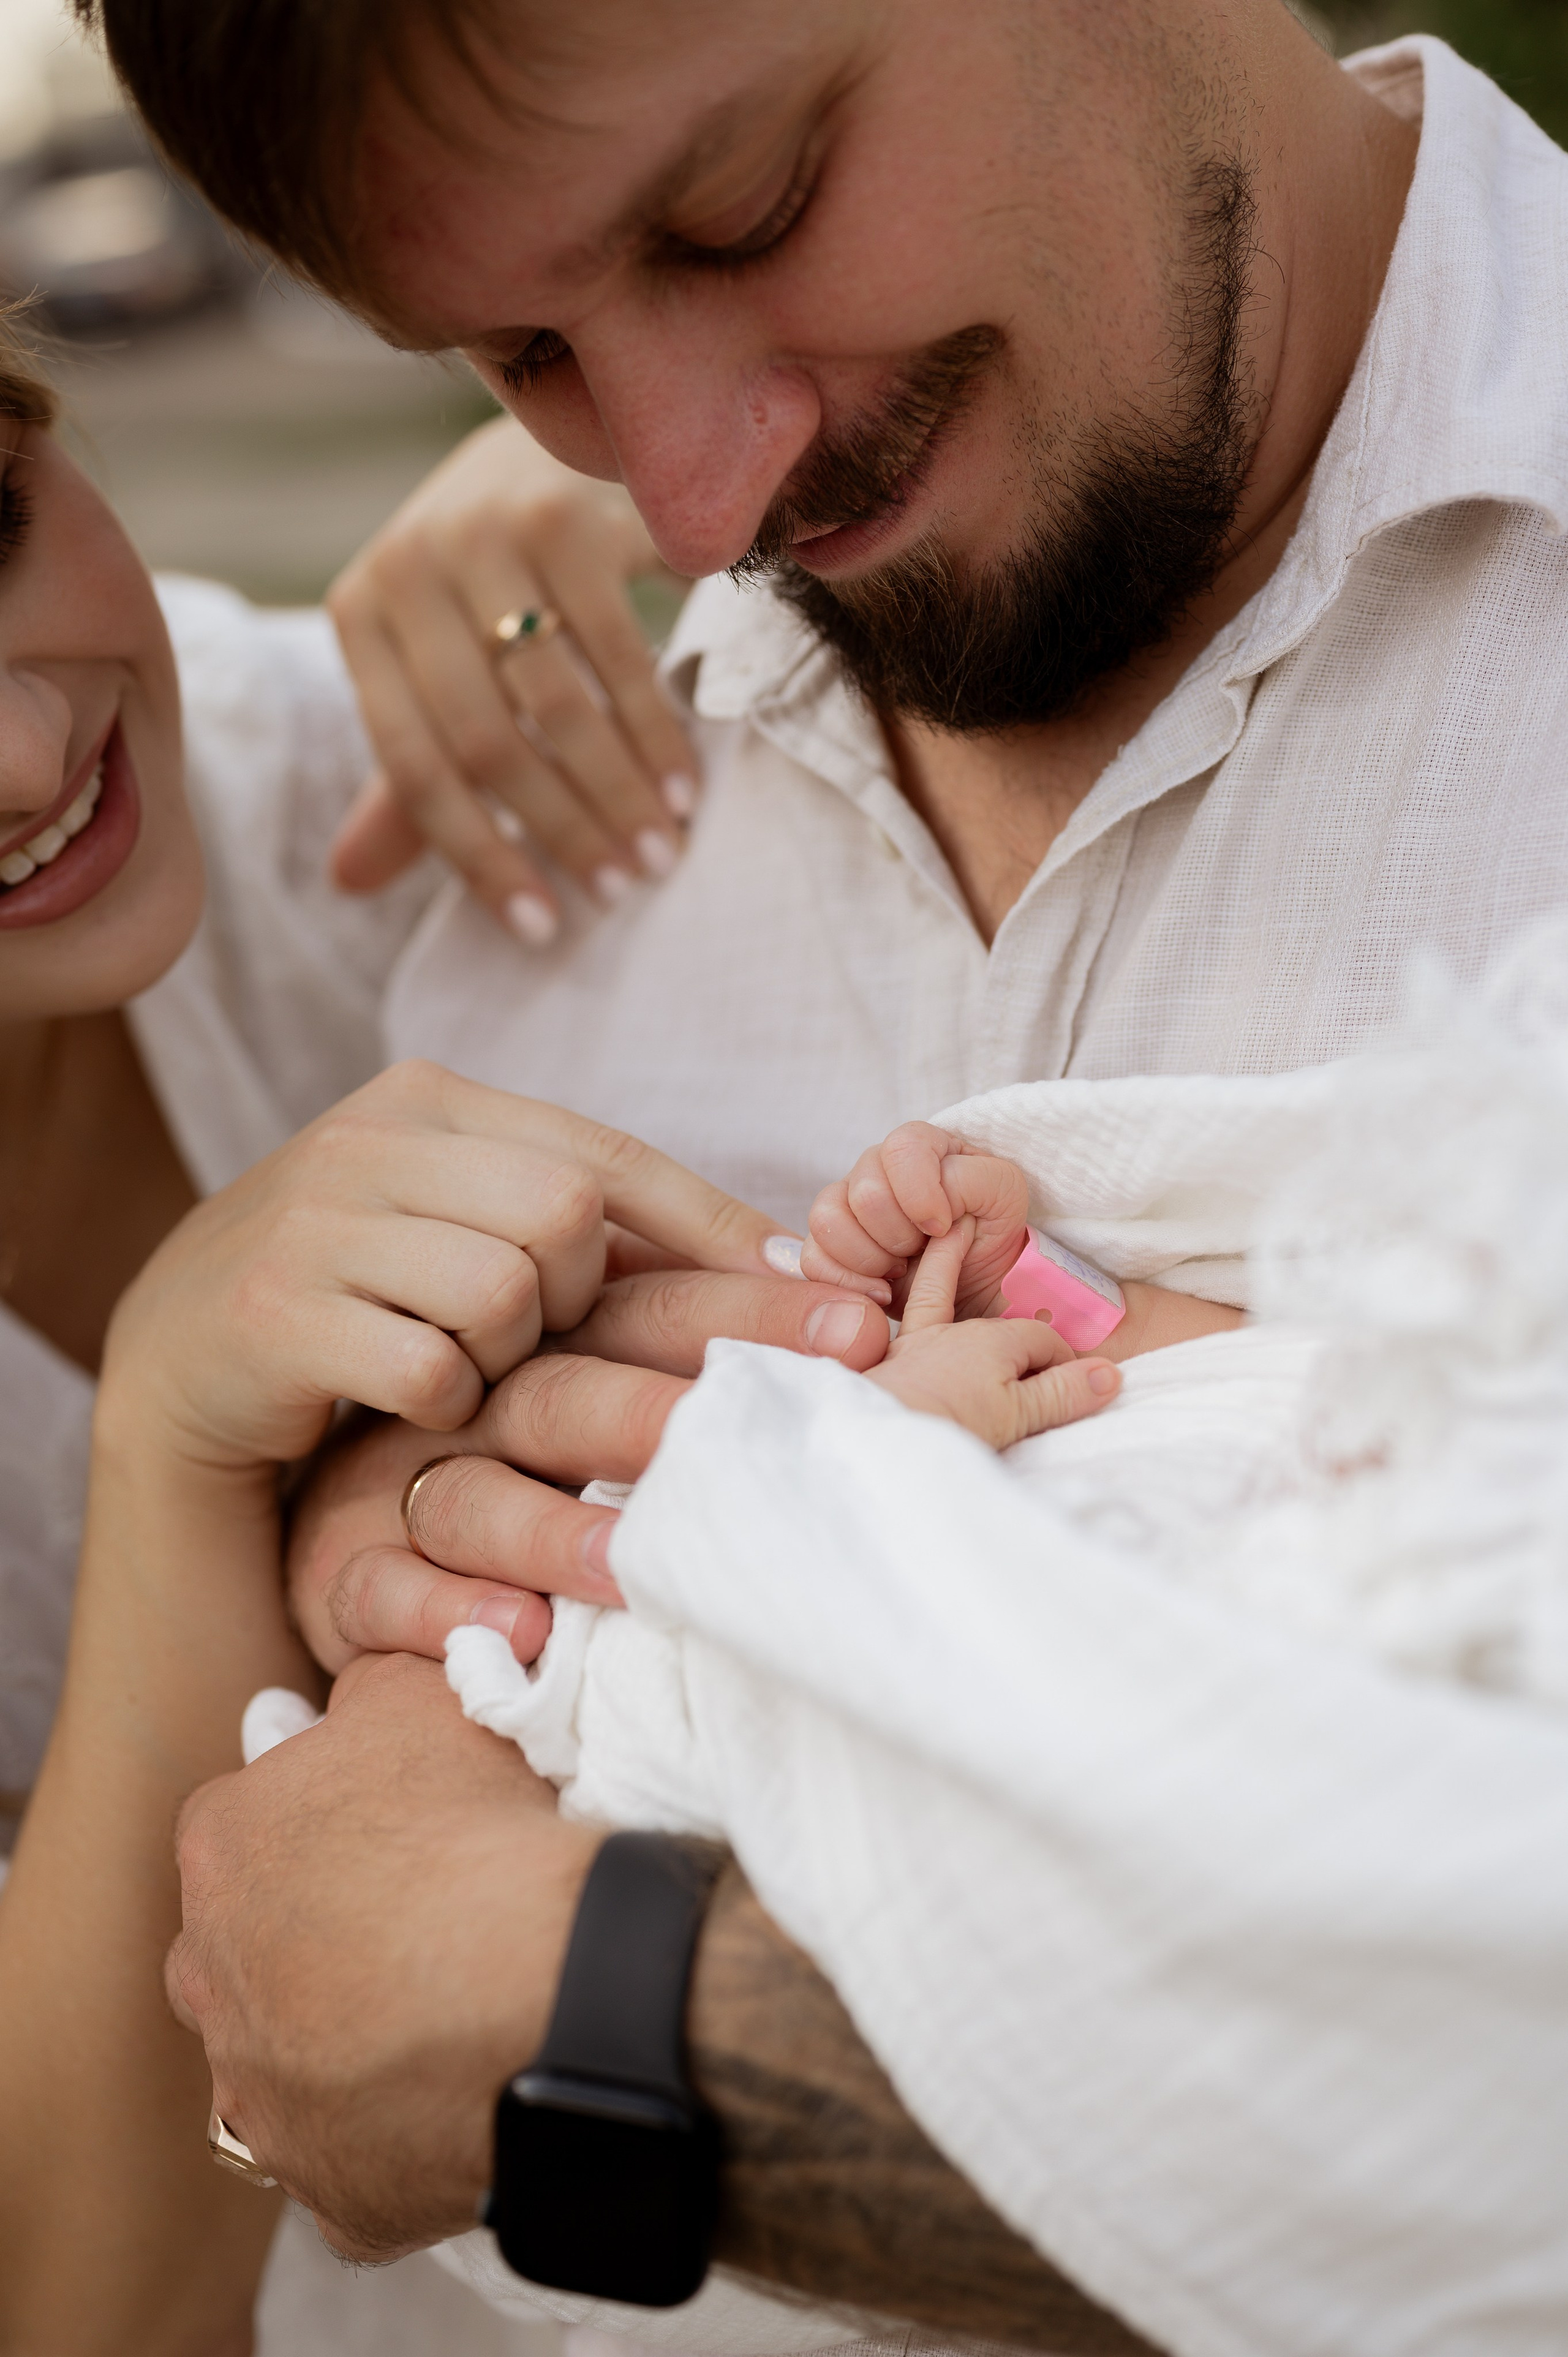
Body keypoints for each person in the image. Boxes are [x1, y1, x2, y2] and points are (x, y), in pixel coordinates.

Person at [74, 0, 1568, 2344]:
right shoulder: (530, 819)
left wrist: (561, 2022)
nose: (687, 497)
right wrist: (379, 1572)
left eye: (742, 211)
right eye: (523, 352)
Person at [0, 328, 903, 2352]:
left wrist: (623, 472)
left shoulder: (328, 791)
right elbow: (71, 2307)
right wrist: (173, 1446)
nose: (30, 753)